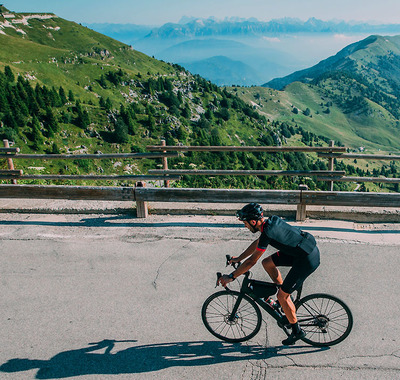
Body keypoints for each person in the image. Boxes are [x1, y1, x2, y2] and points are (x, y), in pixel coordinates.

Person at [218, 202, 320, 346]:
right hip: (302, 250)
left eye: (245, 223)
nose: (245, 226)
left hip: (306, 259)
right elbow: (258, 243)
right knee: (267, 262)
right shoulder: (269, 223)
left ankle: (297, 331)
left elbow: (252, 262)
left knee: (282, 296)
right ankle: (283, 294)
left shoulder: (268, 232)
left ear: (253, 222)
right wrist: (238, 258)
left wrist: (232, 276)